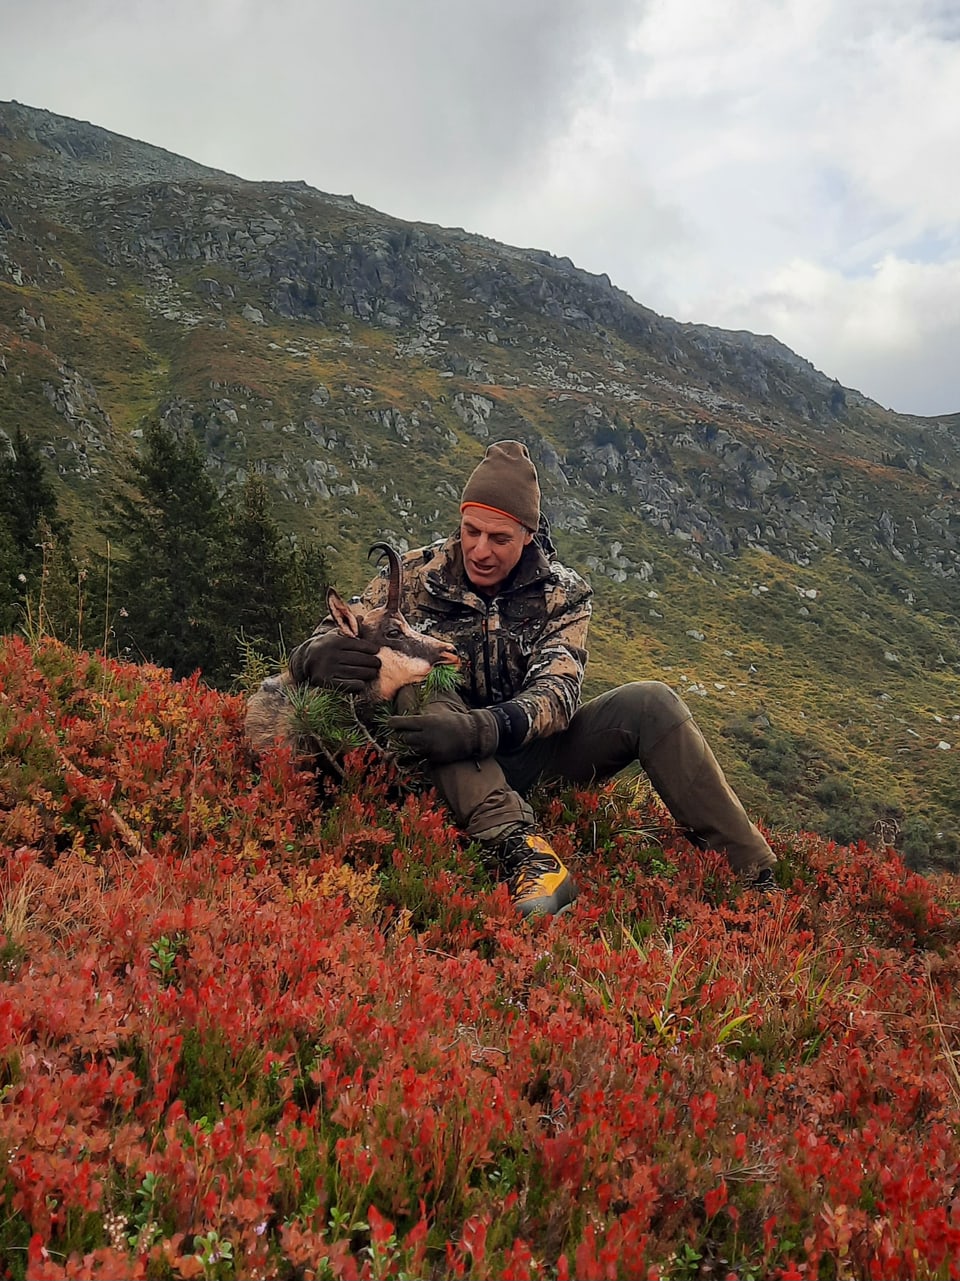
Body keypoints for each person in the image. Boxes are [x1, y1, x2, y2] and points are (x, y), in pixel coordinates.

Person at [287, 440, 778, 917]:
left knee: (652, 703)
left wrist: (482, 729)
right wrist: (315, 655)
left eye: (499, 538)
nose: (480, 549)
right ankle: (525, 853)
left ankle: (755, 875)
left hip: (527, 754)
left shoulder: (563, 595)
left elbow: (558, 694)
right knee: (421, 680)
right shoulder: (414, 573)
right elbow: (336, 631)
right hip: (435, 758)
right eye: (470, 530)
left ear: (528, 534)